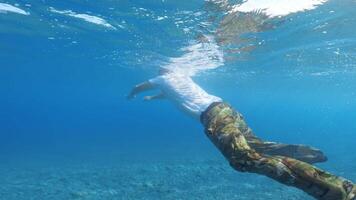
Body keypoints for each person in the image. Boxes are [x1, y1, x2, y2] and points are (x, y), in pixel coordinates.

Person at [128, 68, 356, 200]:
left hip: (213, 117)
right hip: (225, 109)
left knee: (243, 159)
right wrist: (152, 98)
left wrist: (133, 94)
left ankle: (335, 187)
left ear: (162, 71)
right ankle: (294, 152)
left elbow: (141, 86)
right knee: (255, 146)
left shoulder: (163, 77)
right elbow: (169, 94)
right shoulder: (179, 78)